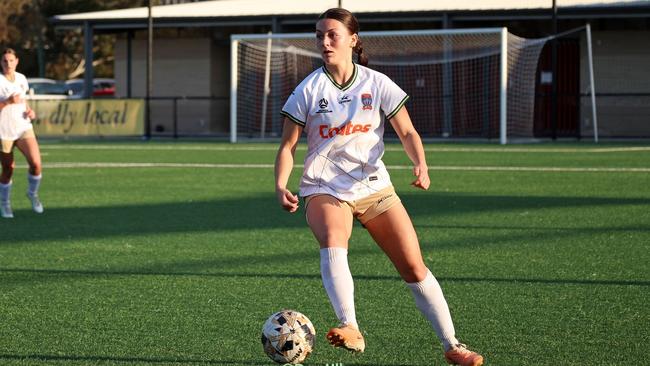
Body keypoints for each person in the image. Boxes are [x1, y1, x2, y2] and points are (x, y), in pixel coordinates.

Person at [274, 8, 484, 366]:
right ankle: (349, 325)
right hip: (325, 187)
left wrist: (420, 162)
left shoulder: (377, 83)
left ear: (353, 40)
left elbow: (407, 131)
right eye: (319, 35)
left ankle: (452, 345)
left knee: (414, 268)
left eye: (332, 35)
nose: (324, 42)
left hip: (375, 187)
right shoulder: (308, 89)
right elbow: (287, 146)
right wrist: (281, 184)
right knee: (334, 238)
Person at [0, 48, 43, 218]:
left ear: (16, 61)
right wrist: (8, 102)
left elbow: (22, 101)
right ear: (1, 63)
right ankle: (5, 204)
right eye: (5, 61)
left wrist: (29, 111)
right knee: (8, 169)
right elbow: (10, 102)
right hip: (4, 131)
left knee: (36, 164)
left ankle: (32, 194)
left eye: (11, 60)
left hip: (23, 127)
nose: (8, 64)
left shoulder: (22, 79)